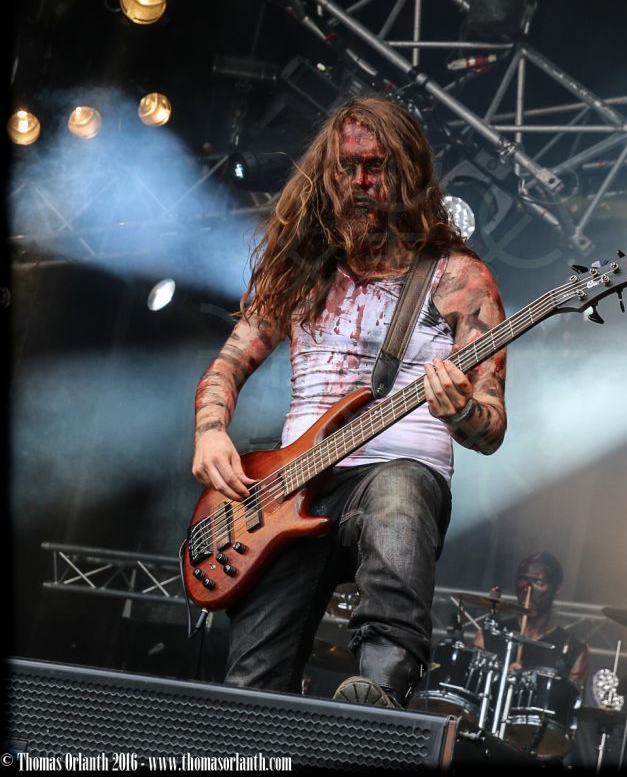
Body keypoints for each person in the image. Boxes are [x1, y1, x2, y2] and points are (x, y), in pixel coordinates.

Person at [191, 95, 507, 709]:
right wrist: (210, 433)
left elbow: (491, 428)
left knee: (398, 495)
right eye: (346, 167)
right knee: (251, 683)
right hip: (290, 487)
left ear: (408, 172)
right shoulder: (300, 269)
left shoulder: (459, 278)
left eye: (376, 166)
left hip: (399, 467)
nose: (360, 182)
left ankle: (379, 692)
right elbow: (226, 366)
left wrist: (459, 410)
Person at [473, 552, 588, 689]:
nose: (527, 589)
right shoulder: (489, 635)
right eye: (523, 579)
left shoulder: (573, 650)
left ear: (557, 589)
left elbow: (572, 698)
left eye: (538, 582)